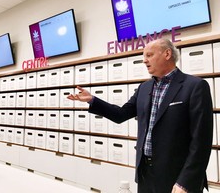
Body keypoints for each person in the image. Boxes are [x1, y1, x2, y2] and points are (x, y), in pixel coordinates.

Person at [67, 39, 213, 193]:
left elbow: (201, 141)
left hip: (177, 177)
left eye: (149, 55)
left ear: (167, 54)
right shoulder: (144, 87)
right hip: (145, 174)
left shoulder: (195, 86)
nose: (144, 60)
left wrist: (185, 182)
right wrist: (92, 100)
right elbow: (120, 114)